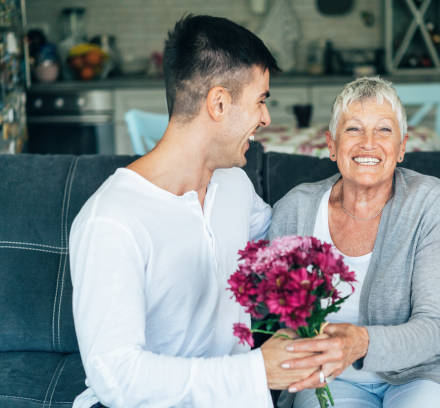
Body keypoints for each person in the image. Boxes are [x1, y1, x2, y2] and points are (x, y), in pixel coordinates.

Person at [69, 15, 317, 408]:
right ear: (219, 103)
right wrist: (256, 371)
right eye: (261, 100)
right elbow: (117, 376)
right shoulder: (112, 220)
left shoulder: (233, 185)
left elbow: (280, 244)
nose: (266, 118)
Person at [269, 77, 440, 407]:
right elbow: (281, 321)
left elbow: (433, 328)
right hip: (330, 379)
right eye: (354, 129)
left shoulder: (428, 201)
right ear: (331, 144)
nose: (368, 143)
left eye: (384, 130)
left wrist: (360, 343)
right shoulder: (295, 210)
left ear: (401, 148)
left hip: (425, 372)